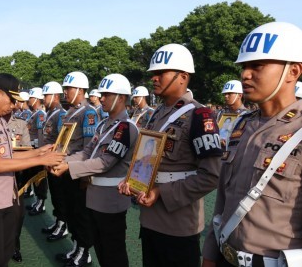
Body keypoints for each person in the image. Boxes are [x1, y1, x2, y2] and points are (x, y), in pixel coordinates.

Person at [202, 22, 302, 267]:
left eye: (257, 65)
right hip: (226, 255)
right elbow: (224, 198)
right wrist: (210, 253)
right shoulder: (243, 124)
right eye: (244, 66)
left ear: (293, 71)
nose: (245, 74)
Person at [118, 43, 222, 267]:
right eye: (153, 74)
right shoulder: (157, 113)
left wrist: (160, 192)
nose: (154, 78)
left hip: (178, 223)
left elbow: (211, 176)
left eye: (160, 73)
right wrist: (132, 180)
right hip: (149, 218)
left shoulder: (200, 115)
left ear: (183, 77)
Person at [0, 73, 65, 267]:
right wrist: (41, 159)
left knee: (4, 254)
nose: (14, 105)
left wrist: (37, 152)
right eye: (12, 100)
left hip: (5, 197)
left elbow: (8, 156)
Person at [52, 73, 139, 267]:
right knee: (101, 250)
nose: (101, 98)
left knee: (113, 253)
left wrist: (67, 166)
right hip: (95, 197)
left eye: (107, 95)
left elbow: (105, 162)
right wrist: (60, 160)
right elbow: (86, 153)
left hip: (111, 200)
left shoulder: (126, 128)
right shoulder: (103, 124)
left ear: (122, 97)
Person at [56, 71, 98, 266]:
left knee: (81, 213)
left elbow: (89, 148)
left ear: (80, 90)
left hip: (77, 170)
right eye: (64, 89)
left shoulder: (88, 113)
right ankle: (75, 247)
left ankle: (84, 251)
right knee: (71, 211)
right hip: (66, 169)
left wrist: (84, 176)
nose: (65, 92)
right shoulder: (71, 112)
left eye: (69, 88)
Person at [40, 81, 69, 241]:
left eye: (46, 95)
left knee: (60, 195)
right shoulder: (51, 113)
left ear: (55, 96)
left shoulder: (61, 114)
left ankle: (62, 225)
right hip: (48, 160)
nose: (44, 98)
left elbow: (62, 141)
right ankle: (58, 221)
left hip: (56, 161)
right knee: (55, 195)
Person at [6, 107, 31, 263]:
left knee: (18, 215)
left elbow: (27, 147)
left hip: (17, 177)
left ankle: (15, 247)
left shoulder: (21, 124)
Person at [25, 87, 48, 216]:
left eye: (31, 98)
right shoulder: (34, 114)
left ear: (37, 99)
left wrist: (40, 151)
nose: (29, 100)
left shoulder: (40, 114)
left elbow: (40, 134)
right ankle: (38, 200)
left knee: (40, 178)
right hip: (32, 149)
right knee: (35, 176)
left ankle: (41, 202)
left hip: (38, 150)